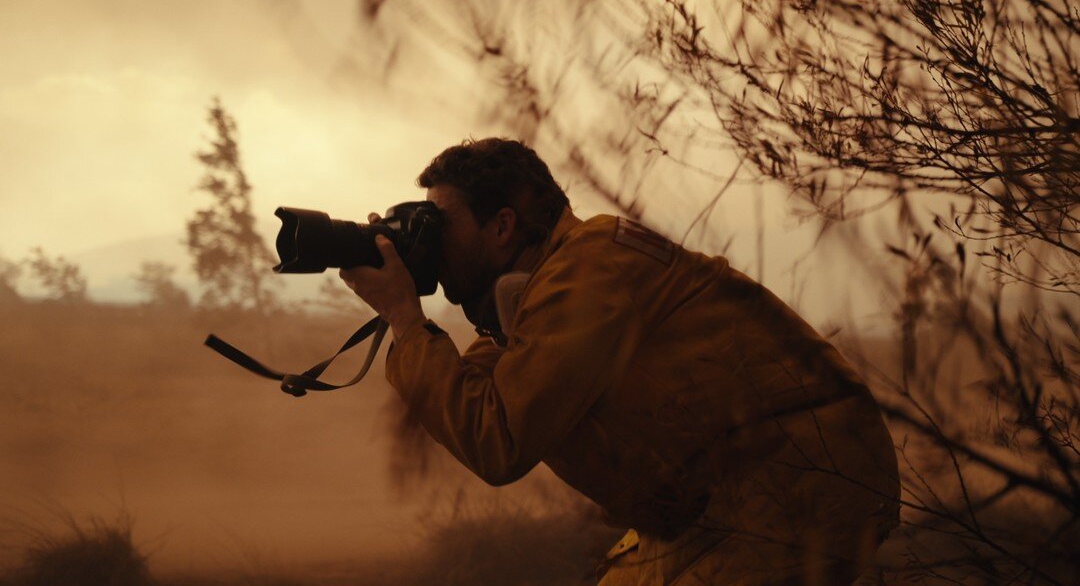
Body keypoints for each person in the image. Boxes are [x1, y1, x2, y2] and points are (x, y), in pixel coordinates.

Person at [340, 137, 900, 585]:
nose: (433, 242)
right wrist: (397, 282)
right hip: (711, 507)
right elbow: (477, 400)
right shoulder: (544, 290)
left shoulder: (589, 271)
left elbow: (498, 439)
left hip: (790, 491)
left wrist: (406, 320)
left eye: (441, 224)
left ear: (503, 225)